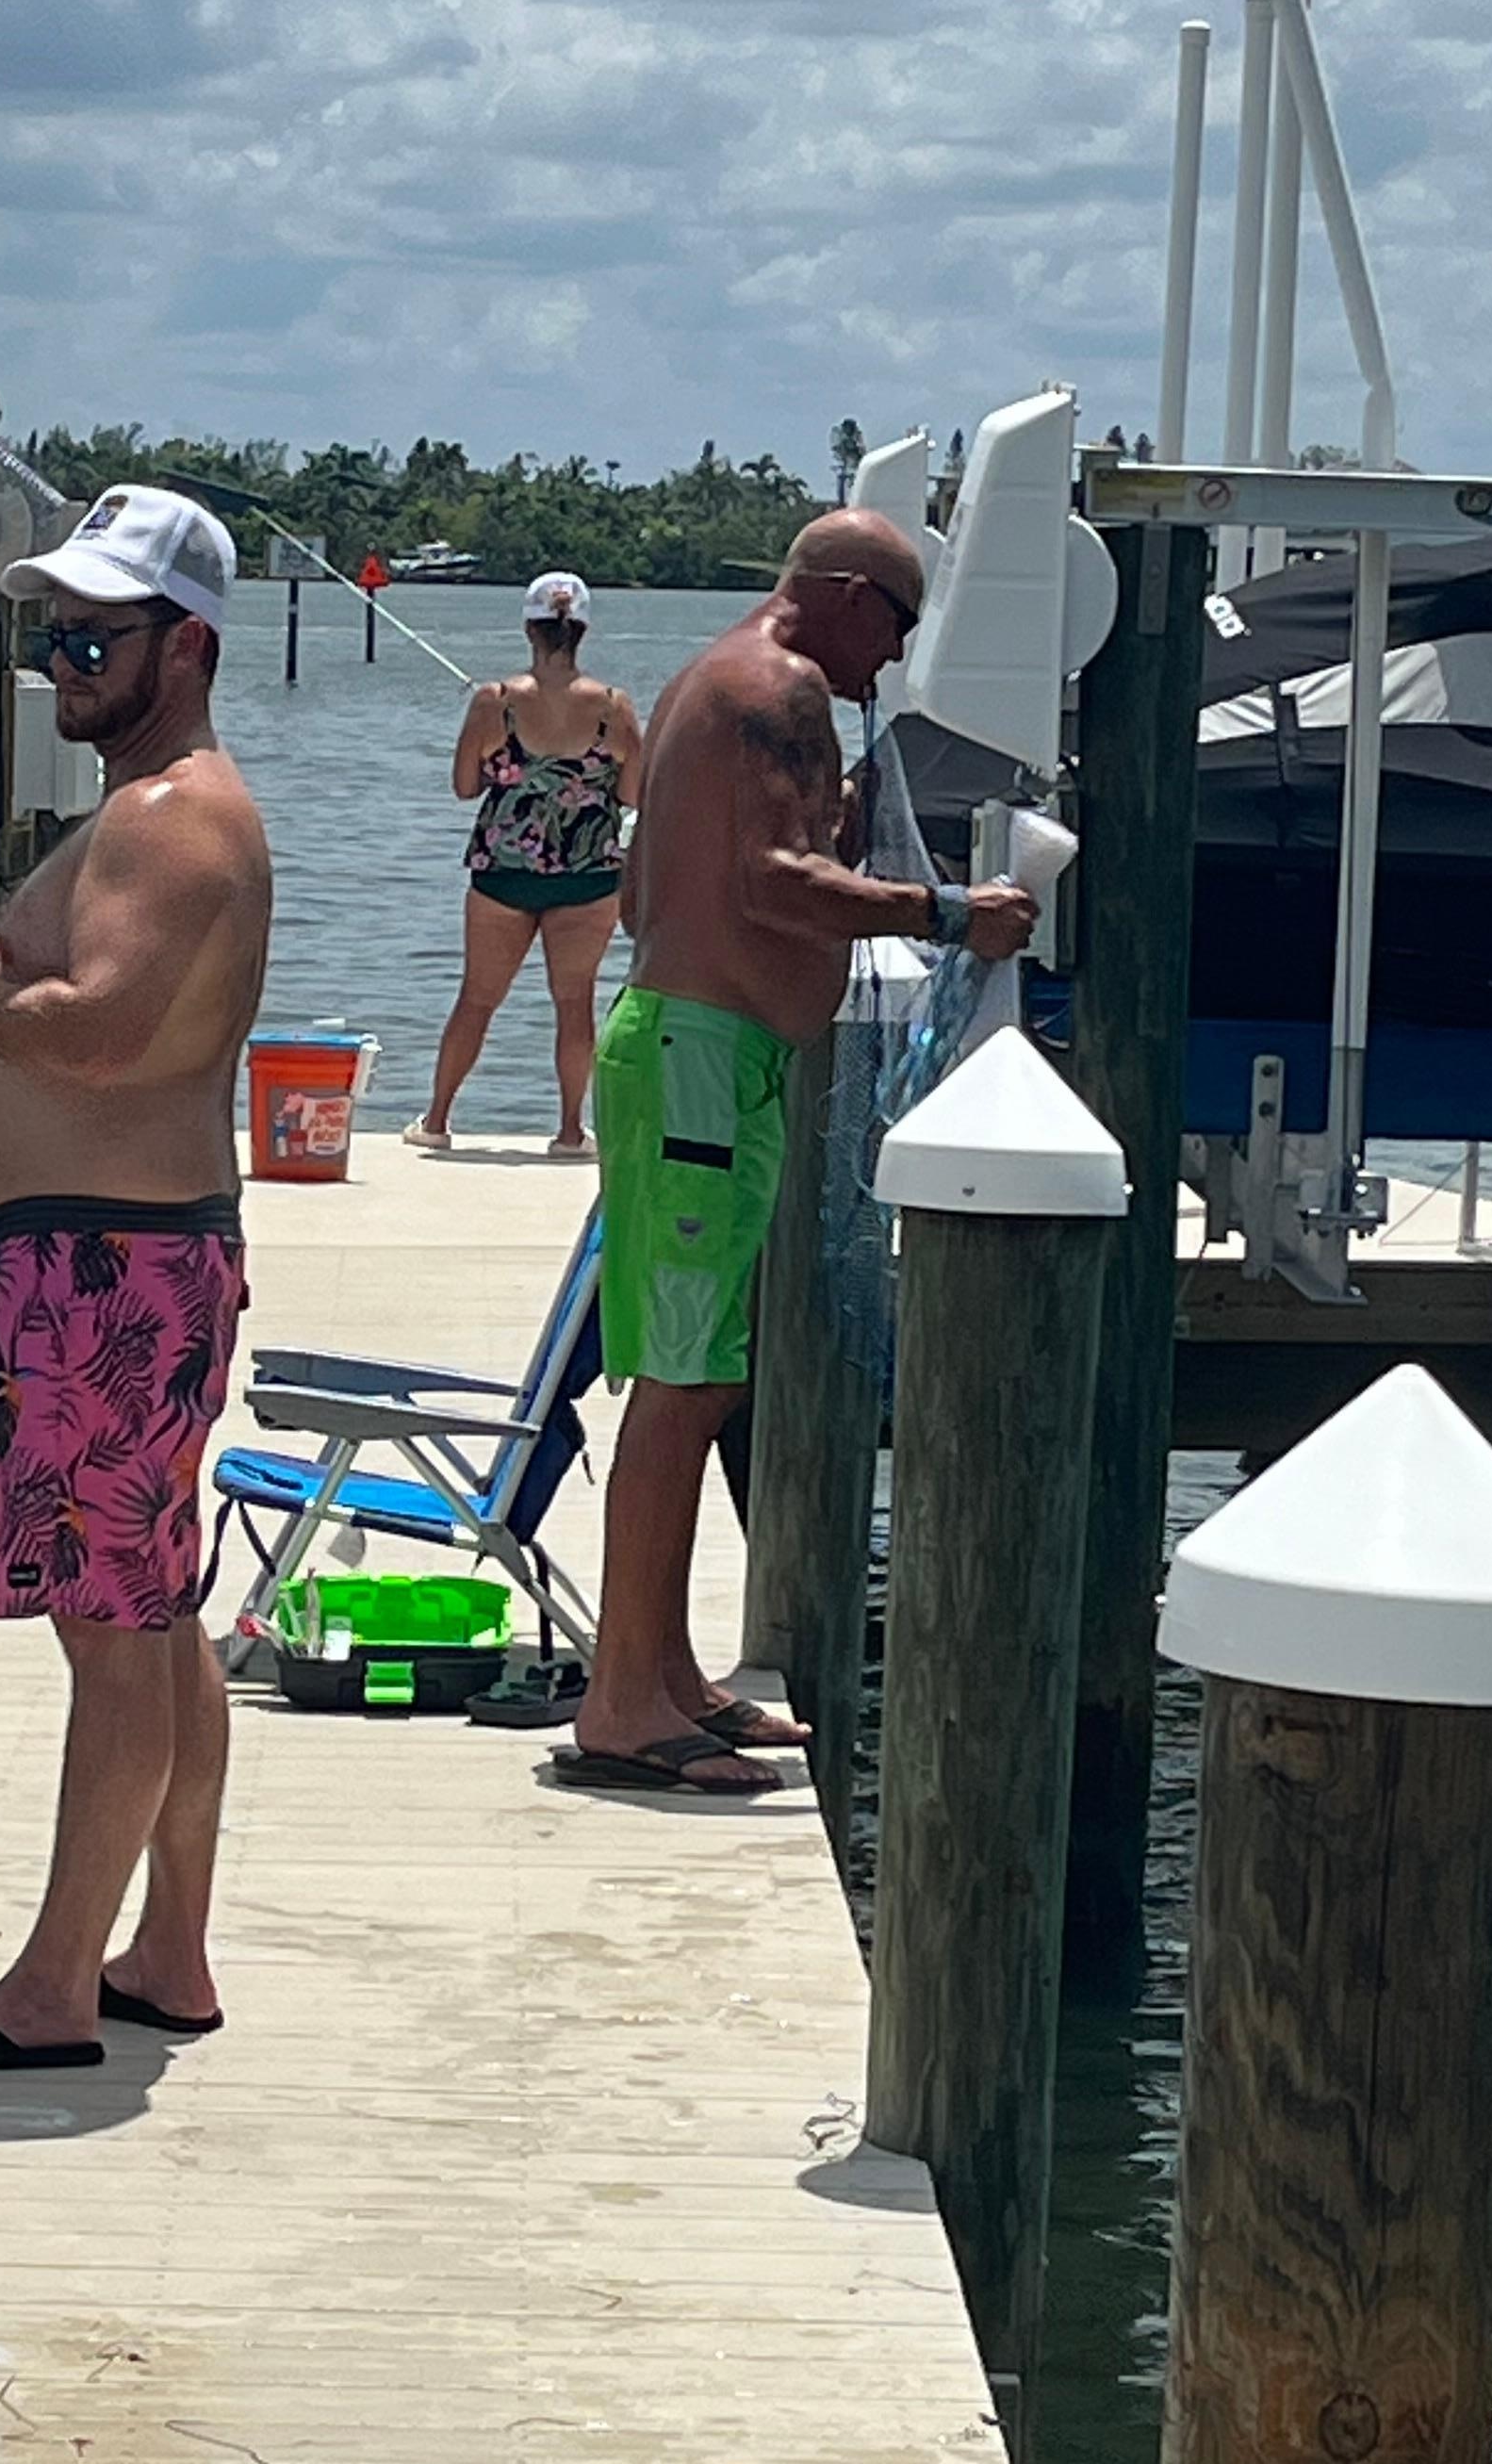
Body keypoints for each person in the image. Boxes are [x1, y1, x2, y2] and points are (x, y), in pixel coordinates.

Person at [0, 485, 272, 2066]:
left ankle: (50, 1988)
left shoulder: (173, 819)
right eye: (53, 630)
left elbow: (91, 1039)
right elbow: (105, 999)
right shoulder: (155, 811)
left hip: (96, 1272)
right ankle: (164, 1949)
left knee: (111, 1629)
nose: (65, 654)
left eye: (96, 630)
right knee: (154, 1616)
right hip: (109, 1260)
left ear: (187, 641)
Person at [566, 509, 1037, 1797]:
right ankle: (620, 1705)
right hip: (699, 1065)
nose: (893, 661)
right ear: (843, 595)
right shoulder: (772, 685)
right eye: (896, 624)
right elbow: (772, 882)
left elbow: (651, 889)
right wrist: (951, 914)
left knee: (704, 1375)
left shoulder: (704, 683)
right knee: (678, 1388)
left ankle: (664, 1674)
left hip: (706, 1053)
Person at [406, 573, 643, 1157]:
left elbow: (464, 786)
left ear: (527, 629)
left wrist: (504, 772)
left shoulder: (496, 701)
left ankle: (437, 1120)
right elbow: (635, 793)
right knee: (574, 1001)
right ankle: (568, 1130)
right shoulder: (614, 707)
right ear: (581, 630)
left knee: (478, 999)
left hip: (503, 873)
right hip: (589, 875)